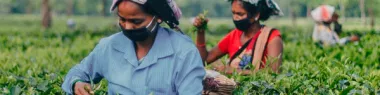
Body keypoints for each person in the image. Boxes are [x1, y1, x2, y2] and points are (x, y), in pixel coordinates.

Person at [61, 0, 205, 94]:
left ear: (158, 17)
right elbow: (79, 71)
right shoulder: (110, 46)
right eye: (122, 19)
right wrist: (76, 83)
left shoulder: (184, 52)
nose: (128, 27)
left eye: (136, 21)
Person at [193, 0, 284, 75]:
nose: (235, 18)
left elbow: (273, 73)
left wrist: (233, 71)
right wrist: (201, 31)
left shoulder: (272, 37)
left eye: (240, 14)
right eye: (233, 13)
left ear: (256, 15)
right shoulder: (234, 35)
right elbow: (205, 59)